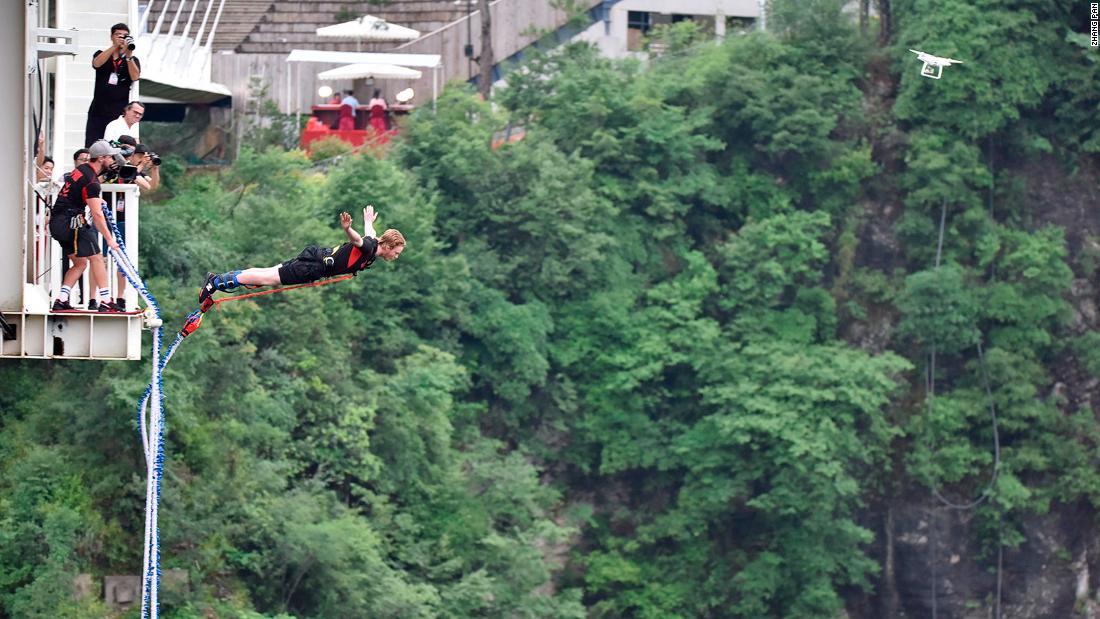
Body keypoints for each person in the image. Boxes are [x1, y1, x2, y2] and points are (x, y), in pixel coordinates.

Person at [199, 206, 405, 305]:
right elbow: (357, 241)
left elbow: (370, 233)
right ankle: (215, 282)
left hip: (315, 260)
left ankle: (221, 279)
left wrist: (368, 220)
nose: (396, 256)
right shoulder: (369, 248)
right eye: (396, 252)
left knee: (268, 274)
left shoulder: (374, 244)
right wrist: (347, 229)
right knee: (266, 277)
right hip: (312, 267)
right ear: (387, 246)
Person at [49, 140, 123, 312]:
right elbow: (97, 215)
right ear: (101, 158)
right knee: (97, 257)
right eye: (110, 157)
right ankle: (105, 300)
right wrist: (109, 239)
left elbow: (77, 193)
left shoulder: (81, 170)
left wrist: (95, 200)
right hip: (71, 221)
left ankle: (61, 300)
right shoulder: (92, 181)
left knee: (80, 263)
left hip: (58, 222)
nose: (113, 161)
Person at [102, 142, 161, 310]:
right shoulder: (119, 167)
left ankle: (120, 297)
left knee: (122, 260)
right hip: (106, 217)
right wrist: (140, 166)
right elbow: (126, 176)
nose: (141, 159)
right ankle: (104, 296)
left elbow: (151, 186)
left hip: (123, 219)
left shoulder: (135, 171)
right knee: (103, 260)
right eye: (139, 156)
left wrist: (154, 169)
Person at [86, 24, 141, 147]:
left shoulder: (132, 59)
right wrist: (115, 46)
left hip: (118, 110)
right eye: (118, 35)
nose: (121, 38)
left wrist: (128, 56)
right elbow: (97, 63)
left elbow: (135, 76)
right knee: (94, 144)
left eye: (125, 36)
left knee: (115, 145)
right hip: (98, 109)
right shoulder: (102, 54)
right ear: (111, 36)